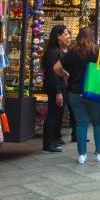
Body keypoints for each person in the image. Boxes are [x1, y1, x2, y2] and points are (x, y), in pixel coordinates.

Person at [54, 27, 100, 164]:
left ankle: (82, 155)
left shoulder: (71, 52)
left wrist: (65, 75)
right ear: (92, 37)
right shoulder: (98, 52)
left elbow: (56, 68)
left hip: (74, 92)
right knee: (97, 122)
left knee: (81, 123)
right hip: (94, 93)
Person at [42, 25, 69, 153]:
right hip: (55, 88)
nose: (68, 36)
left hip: (58, 87)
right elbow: (52, 74)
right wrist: (58, 92)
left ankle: (53, 139)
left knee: (57, 114)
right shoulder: (52, 52)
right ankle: (47, 144)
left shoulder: (56, 50)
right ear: (58, 36)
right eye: (65, 34)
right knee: (52, 115)